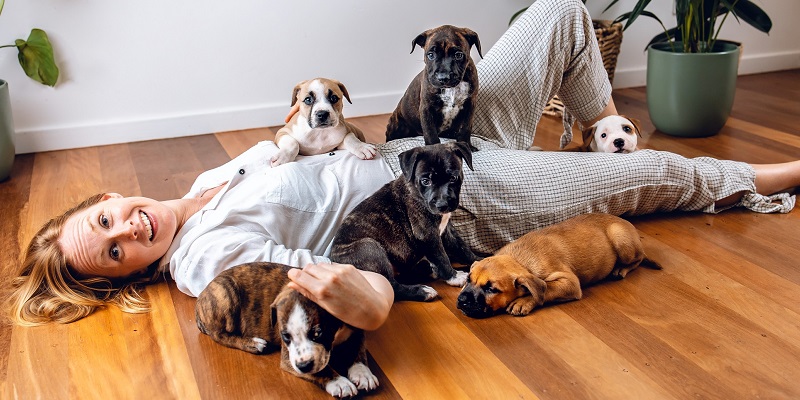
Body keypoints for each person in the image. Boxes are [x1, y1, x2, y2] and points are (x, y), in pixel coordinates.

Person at [6, 0, 799, 328]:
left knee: (560, 12)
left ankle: (597, 127)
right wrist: (370, 298)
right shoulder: (200, 260)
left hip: (419, 135)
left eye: (104, 218)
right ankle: (765, 180)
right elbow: (307, 276)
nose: (127, 229)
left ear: (107, 195)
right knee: (635, 185)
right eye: (113, 253)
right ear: (124, 277)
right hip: (441, 199)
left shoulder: (201, 189)